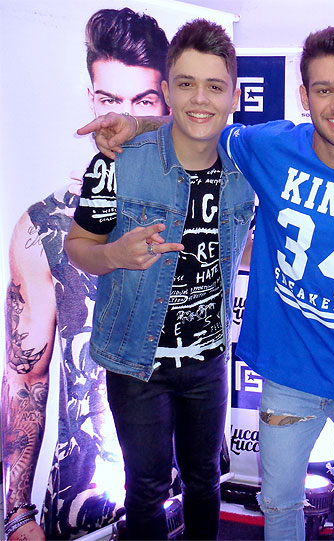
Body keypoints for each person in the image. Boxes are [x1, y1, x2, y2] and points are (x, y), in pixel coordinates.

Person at [81, 22, 334, 540]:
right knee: (276, 502)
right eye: (324, 90)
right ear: (303, 97)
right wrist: (135, 123)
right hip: (285, 371)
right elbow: (198, 125)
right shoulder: (267, 147)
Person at [64, 19, 254, 540]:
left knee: (205, 481)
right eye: (186, 83)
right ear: (167, 91)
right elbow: (77, 246)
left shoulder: (248, 167)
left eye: (214, 86)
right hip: (134, 361)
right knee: (146, 489)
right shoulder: (116, 163)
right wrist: (114, 255)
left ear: (234, 96)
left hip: (209, 360)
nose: (201, 99)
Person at [2, 8, 169, 540]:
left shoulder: (204, 209)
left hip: (181, 489)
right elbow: (25, 377)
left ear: (168, 103)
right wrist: (15, 512)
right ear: (91, 100)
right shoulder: (45, 225)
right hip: (83, 504)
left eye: (143, 102)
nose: (122, 121)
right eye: (108, 100)